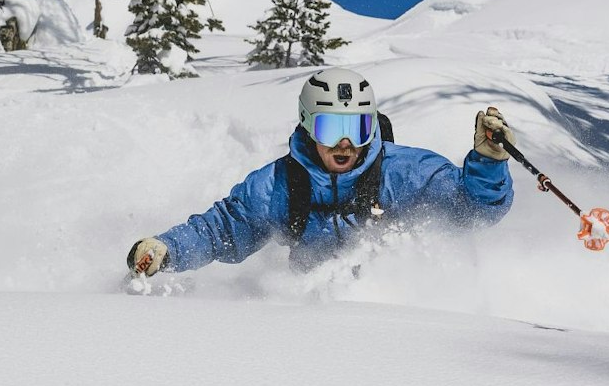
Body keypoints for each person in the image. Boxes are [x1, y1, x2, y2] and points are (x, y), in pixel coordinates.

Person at [126, 65, 514, 276]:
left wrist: (487, 165)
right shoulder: (278, 185)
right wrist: (168, 250)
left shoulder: (406, 171)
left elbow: (472, 212)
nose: (345, 144)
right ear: (309, 126)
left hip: (395, 322)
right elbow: (221, 230)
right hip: (310, 326)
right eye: (331, 129)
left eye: (358, 129)